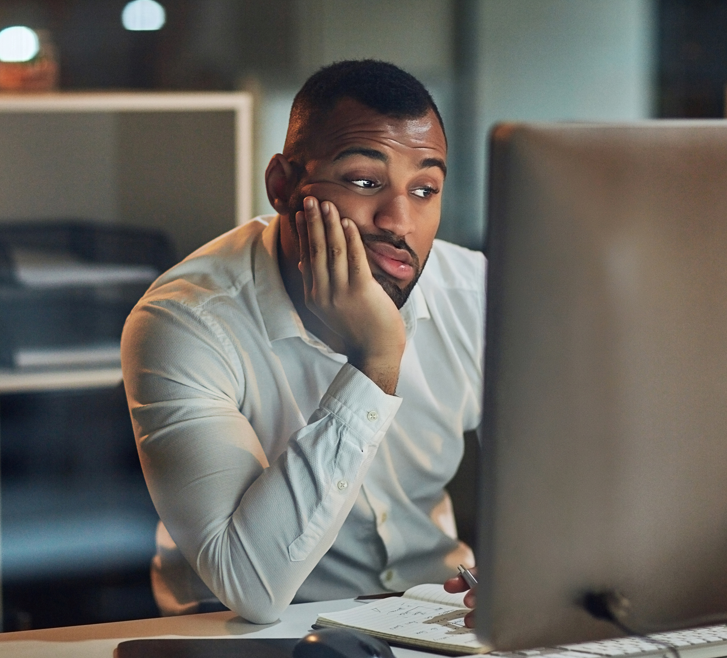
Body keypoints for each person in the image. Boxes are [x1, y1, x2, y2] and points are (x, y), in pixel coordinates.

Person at [121, 59, 485, 625]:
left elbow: (568, 475)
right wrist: (376, 360)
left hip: (431, 618)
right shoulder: (184, 320)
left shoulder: (474, 294)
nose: (399, 220)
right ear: (283, 186)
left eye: (424, 189)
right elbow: (251, 586)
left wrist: (532, 574)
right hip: (239, 633)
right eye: (365, 182)